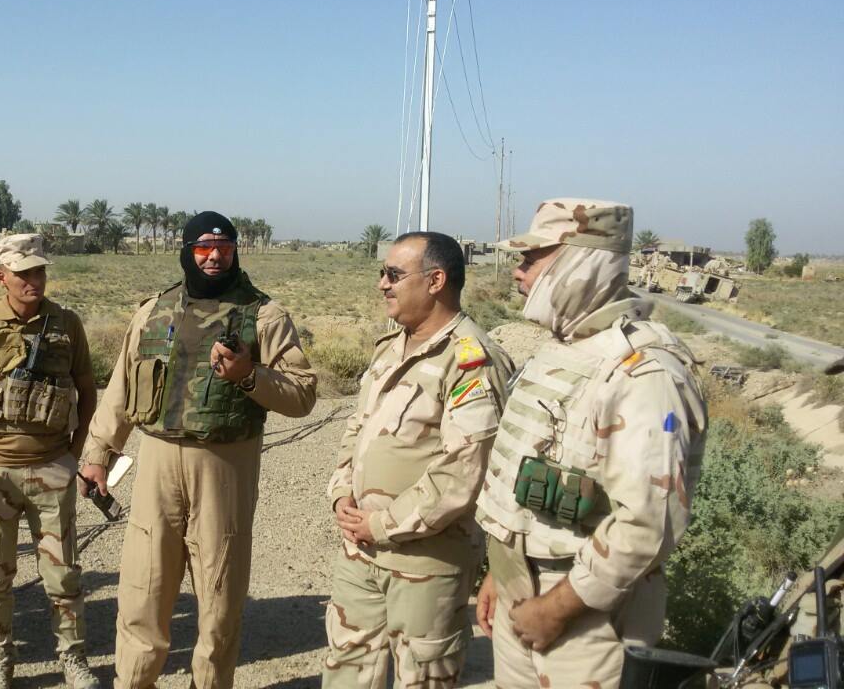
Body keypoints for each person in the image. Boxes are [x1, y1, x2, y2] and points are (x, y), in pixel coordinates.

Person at [474, 198, 707, 687]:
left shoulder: (643, 374)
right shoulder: (565, 351)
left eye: (531, 258)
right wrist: (503, 571)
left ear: (580, 262)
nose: (518, 272)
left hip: (584, 616)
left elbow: (648, 524)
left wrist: (556, 610)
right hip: (526, 591)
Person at [79, 211, 317, 689]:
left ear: (235, 252)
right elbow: (122, 388)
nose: (214, 257)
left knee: (219, 603)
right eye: (204, 248)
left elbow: (303, 394)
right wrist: (98, 455)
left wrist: (249, 376)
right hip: (158, 465)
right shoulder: (154, 311)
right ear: (187, 251)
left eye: (224, 248)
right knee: (142, 595)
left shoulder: (264, 316)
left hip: (224, 468)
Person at [323, 231, 513, 688]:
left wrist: (382, 524)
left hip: (426, 563)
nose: (382, 284)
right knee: (346, 669)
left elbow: (462, 473)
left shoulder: (471, 361)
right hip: (361, 550)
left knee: (422, 678)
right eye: (382, 274)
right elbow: (358, 427)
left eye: (393, 274)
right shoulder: (390, 348)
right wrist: (341, 494)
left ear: (435, 281)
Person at [0, 233, 100, 689]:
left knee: (63, 575)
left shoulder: (67, 325)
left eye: (39, 271)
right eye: (23, 273)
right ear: (1, 276)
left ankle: (73, 658)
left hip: (52, 470)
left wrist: (74, 454)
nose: (33, 280)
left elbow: (88, 391)